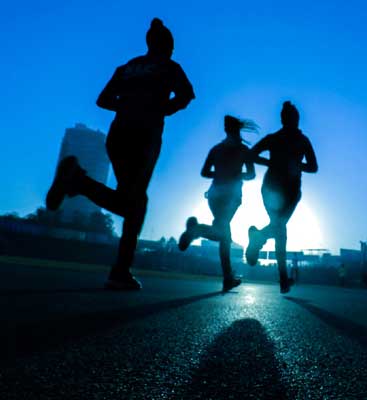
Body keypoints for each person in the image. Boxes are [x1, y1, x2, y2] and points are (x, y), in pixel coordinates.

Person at [45, 18, 195, 290]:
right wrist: (160, 109)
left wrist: (127, 106)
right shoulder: (169, 67)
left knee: (133, 201)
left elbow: (102, 100)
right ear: (168, 46)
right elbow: (187, 96)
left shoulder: (127, 67)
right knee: (135, 204)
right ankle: (80, 184)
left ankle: (119, 267)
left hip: (118, 135)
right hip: (145, 135)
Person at [245, 101, 318, 293]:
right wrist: (277, 163)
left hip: (284, 192)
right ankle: (283, 279)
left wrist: (279, 163)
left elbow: (313, 167)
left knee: (279, 229)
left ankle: (258, 239)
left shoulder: (281, 139)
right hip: (280, 191)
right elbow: (313, 167)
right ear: (292, 120)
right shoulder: (297, 140)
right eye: (293, 119)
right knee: (280, 230)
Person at [178, 115, 257, 291]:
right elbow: (252, 174)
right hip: (231, 197)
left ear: (226, 130)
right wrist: (237, 175)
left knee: (224, 235)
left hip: (214, 195)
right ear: (238, 130)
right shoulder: (243, 150)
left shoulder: (216, 149)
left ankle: (228, 277)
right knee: (224, 235)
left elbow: (204, 172)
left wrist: (220, 174)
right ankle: (197, 230)